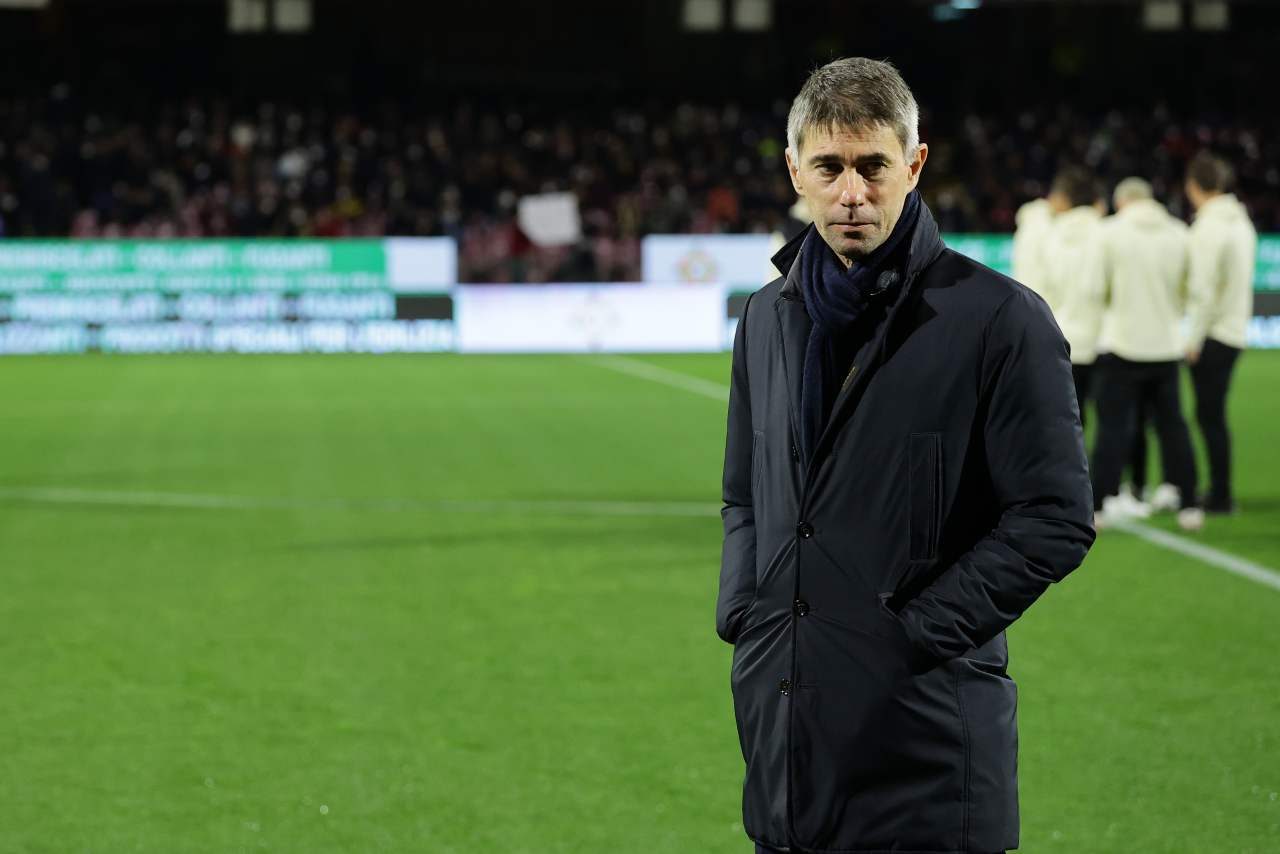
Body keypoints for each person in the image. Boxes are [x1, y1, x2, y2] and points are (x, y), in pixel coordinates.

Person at [716, 57, 1095, 854]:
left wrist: (908, 638)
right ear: (795, 170)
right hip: (786, 752)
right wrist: (746, 614)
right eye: (829, 167)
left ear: (914, 165)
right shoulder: (766, 317)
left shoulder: (1000, 320)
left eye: (873, 166)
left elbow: (1055, 517)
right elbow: (744, 494)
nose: (851, 192)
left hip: (927, 758)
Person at [1091, 177, 1203, 530]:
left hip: (1122, 344)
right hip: (1166, 346)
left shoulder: (1109, 233)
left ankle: (1098, 506)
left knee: (1112, 428)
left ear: (1122, 202)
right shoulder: (1179, 233)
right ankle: (1190, 504)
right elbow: (1192, 289)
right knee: (1174, 427)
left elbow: (1096, 288)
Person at [1185, 152, 1257, 514]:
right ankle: (1219, 490)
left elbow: (1203, 290)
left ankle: (1220, 495)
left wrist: (1192, 339)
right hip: (1235, 329)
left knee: (1209, 416)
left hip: (1213, 333)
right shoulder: (1242, 223)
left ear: (1193, 186)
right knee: (1213, 415)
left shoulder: (1209, 228)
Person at [1036, 166, 1106, 427]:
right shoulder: (1108, 235)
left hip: (1060, 341)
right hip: (1102, 344)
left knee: (1067, 427)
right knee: (1114, 425)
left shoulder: (1048, 236)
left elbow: (1039, 292)